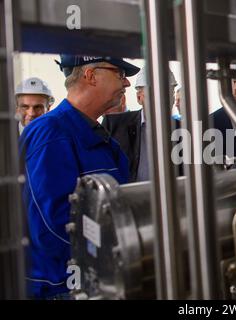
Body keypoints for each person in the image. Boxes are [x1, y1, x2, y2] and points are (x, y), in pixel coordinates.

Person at [19, 55, 139, 299]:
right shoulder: (50, 133)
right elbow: (54, 227)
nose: (126, 84)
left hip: (97, 282)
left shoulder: (99, 137)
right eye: (119, 73)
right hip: (62, 288)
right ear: (91, 75)